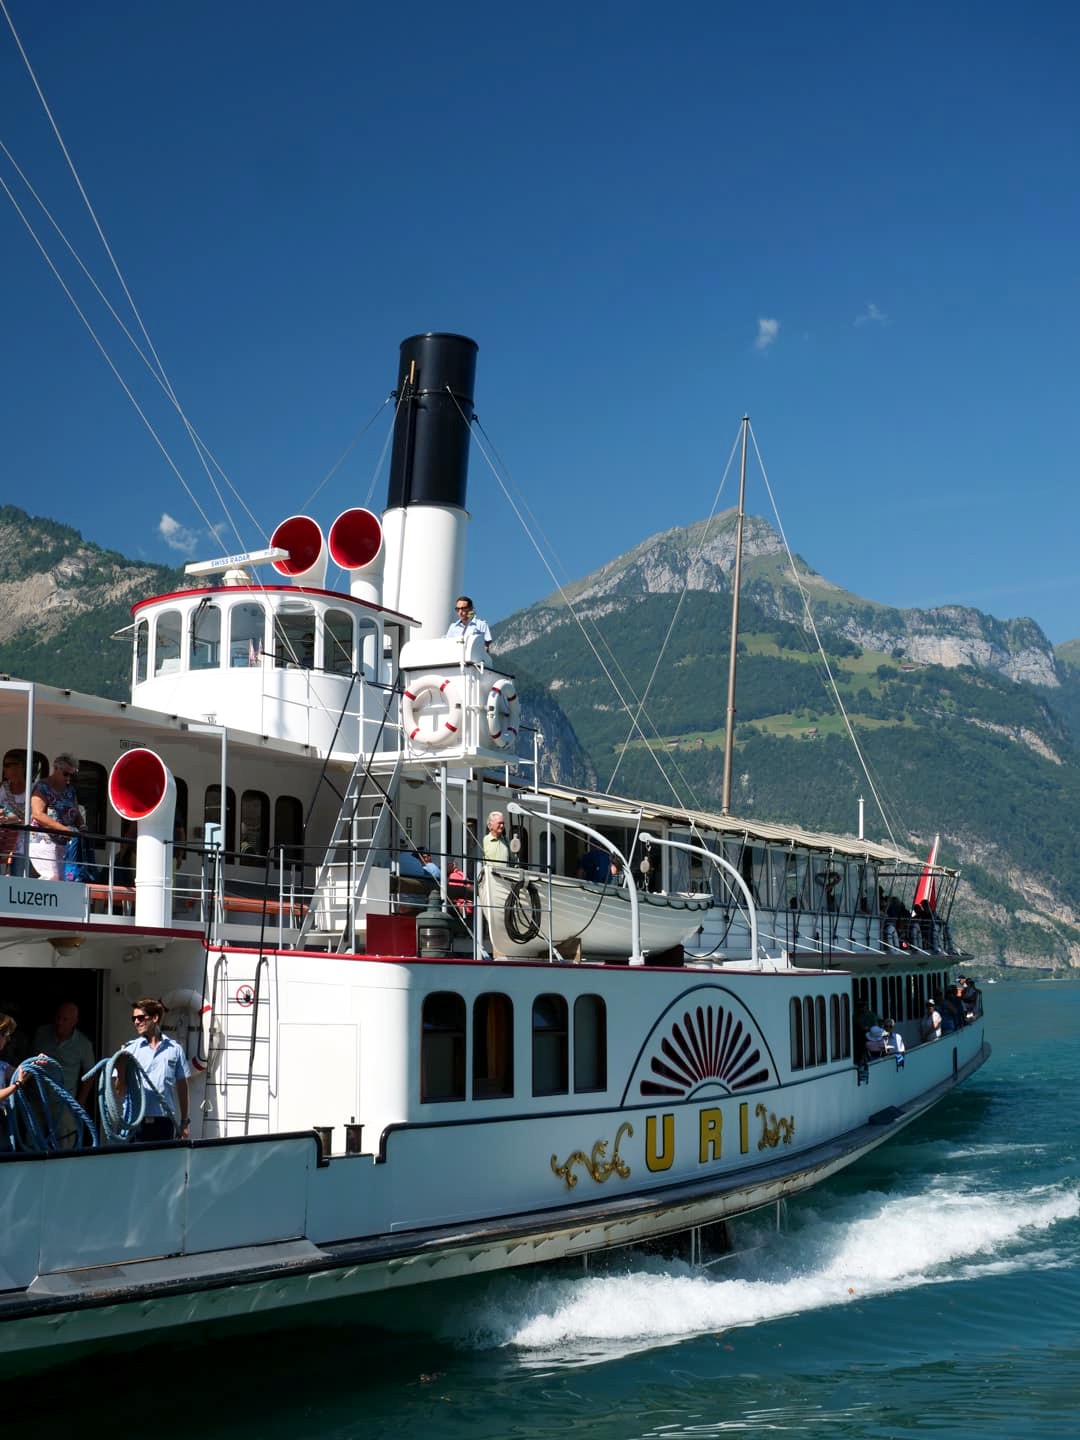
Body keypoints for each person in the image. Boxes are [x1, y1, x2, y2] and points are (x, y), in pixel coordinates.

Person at [120, 998, 191, 1141]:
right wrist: (120, 1066)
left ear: (155, 1018)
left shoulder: (175, 1049)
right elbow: (120, 1091)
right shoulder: (129, 1050)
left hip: (164, 1122)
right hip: (135, 1121)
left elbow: (182, 1087)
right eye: (134, 1019)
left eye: (140, 1018)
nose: (136, 1022)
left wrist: (184, 1122)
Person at [28, 753, 83, 881]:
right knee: (52, 877)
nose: (68, 778)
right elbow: (37, 814)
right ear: (56, 769)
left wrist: (82, 826)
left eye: (72, 775)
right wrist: (63, 829)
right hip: (44, 842)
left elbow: (76, 812)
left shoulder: (70, 790)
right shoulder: (42, 787)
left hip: (66, 844)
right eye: (65, 774)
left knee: (64, 879)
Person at [33, 1001, 95, 1111]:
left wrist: (80, 1102)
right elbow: (29, 1061)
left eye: (65, 1019)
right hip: (37, 1099)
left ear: (74, 1022)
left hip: (64, 1103)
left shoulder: (84, 1044)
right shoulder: (42, 1033)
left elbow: (89, 1075)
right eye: (58, 1017)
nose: (59, 1022)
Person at [0, 750, 28, 876]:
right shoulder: (2, 788)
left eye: (8, 765)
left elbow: (35, 816)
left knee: (18, 880)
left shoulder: (33, 789)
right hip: (3, 843)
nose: (4, 769)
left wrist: (14, 820)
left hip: (24, 846)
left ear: (21, 766)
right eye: (4, 766)